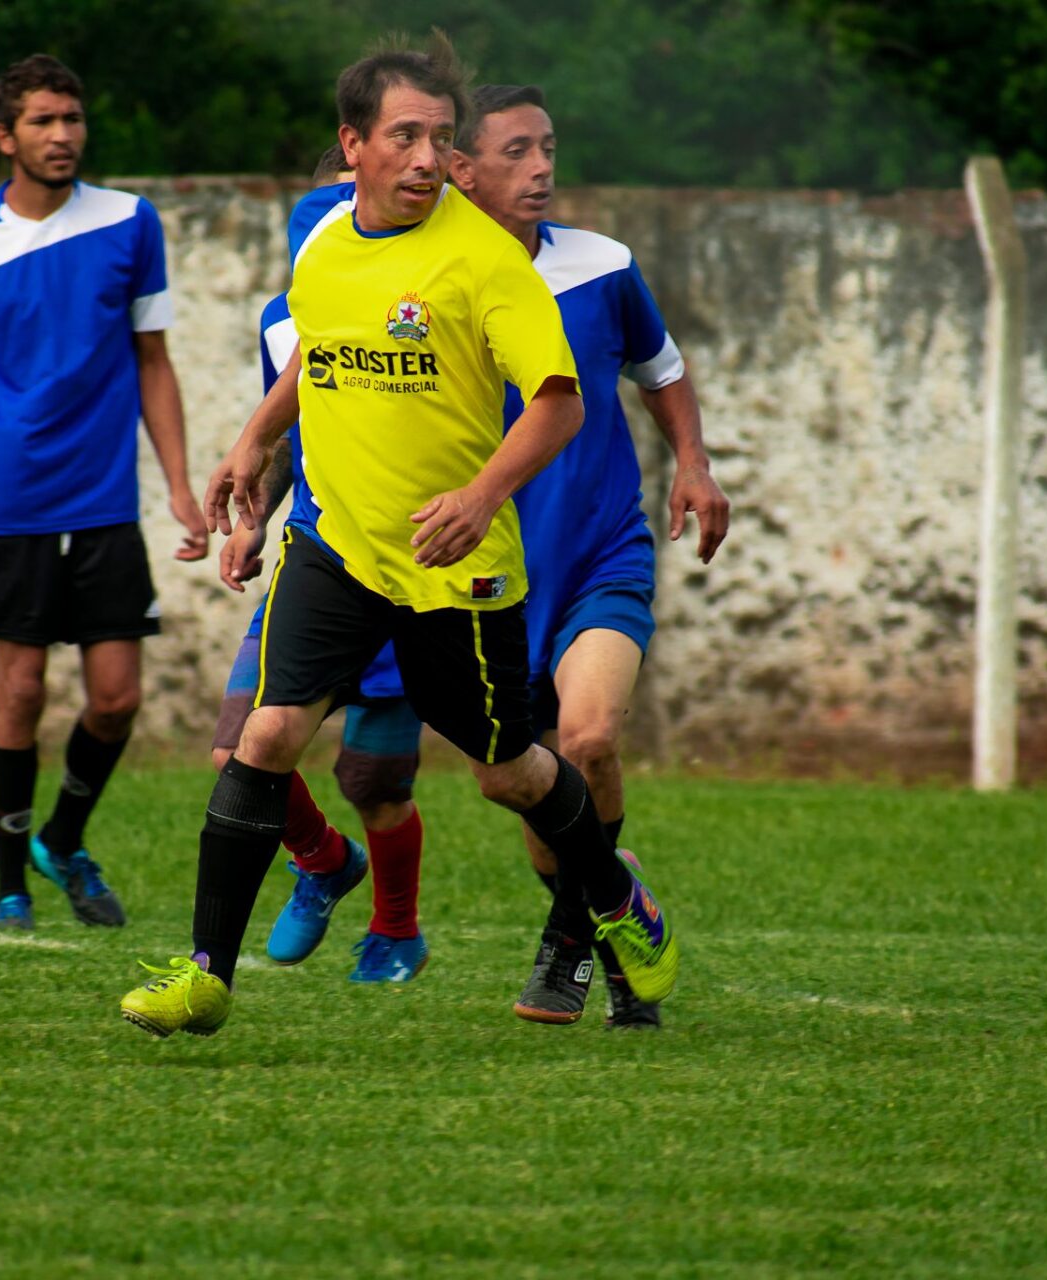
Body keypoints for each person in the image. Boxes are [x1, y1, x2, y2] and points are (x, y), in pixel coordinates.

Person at [119, 33, 680, 1038]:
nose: (427, 158)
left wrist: (478, 495)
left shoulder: (484, 260)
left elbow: (558, 406)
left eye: (441, 139)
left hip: (454, 569)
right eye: (406, 136)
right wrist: (252, 440)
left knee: (509, 770)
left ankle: (614, 894)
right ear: (354, 146)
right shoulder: (327, 244)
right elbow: (320, 351)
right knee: (267, 734)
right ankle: (206, 974)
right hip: (338, 547)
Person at [449, 84, 730, 1028]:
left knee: (591, 738)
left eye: (549, 149)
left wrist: (693, 464)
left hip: (604, 551)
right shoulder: (437, 281)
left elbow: (663, 370)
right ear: (463, 170)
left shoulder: (603, 266)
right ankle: (615, 909)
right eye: (517, 153)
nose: (542, 170)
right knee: (516, 786)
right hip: (488, 574)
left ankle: (569, 946)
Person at [0, 54, 208, 932]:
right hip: (7, 499)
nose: (62, 136)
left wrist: (183, 488)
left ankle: (63, 838)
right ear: (6, 137)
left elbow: (154, 361)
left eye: (72, 119)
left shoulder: (128, 223)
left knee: (118, 697)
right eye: (42, 121)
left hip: (105, 501)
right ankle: (12, 887)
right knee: (20, 690)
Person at [210, 147, 431, 985]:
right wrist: (251, 522)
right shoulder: (282, 319)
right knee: (237, 748)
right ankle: (322, 861)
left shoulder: (429, 302)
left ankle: (396, 931)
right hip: (314, 555)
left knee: (373, 776)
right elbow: (287, 432)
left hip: (403, 561)